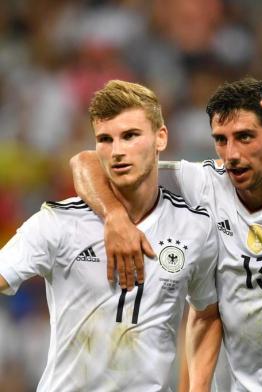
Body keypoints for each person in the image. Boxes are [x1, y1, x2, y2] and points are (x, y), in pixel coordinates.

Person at [71, 78, 262, 391]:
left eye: (245, 137)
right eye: (221, 139)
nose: (231, 154)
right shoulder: (203, 183)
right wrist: (114, 215)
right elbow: (86, 161)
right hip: (242, 385)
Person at [0, 80, 221, 391]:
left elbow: (208, 314)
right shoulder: (59, 222)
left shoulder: (195, 228)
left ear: (161, 138)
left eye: (130, 136)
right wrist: (114, 216)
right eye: (105, 139)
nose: (117, 151)